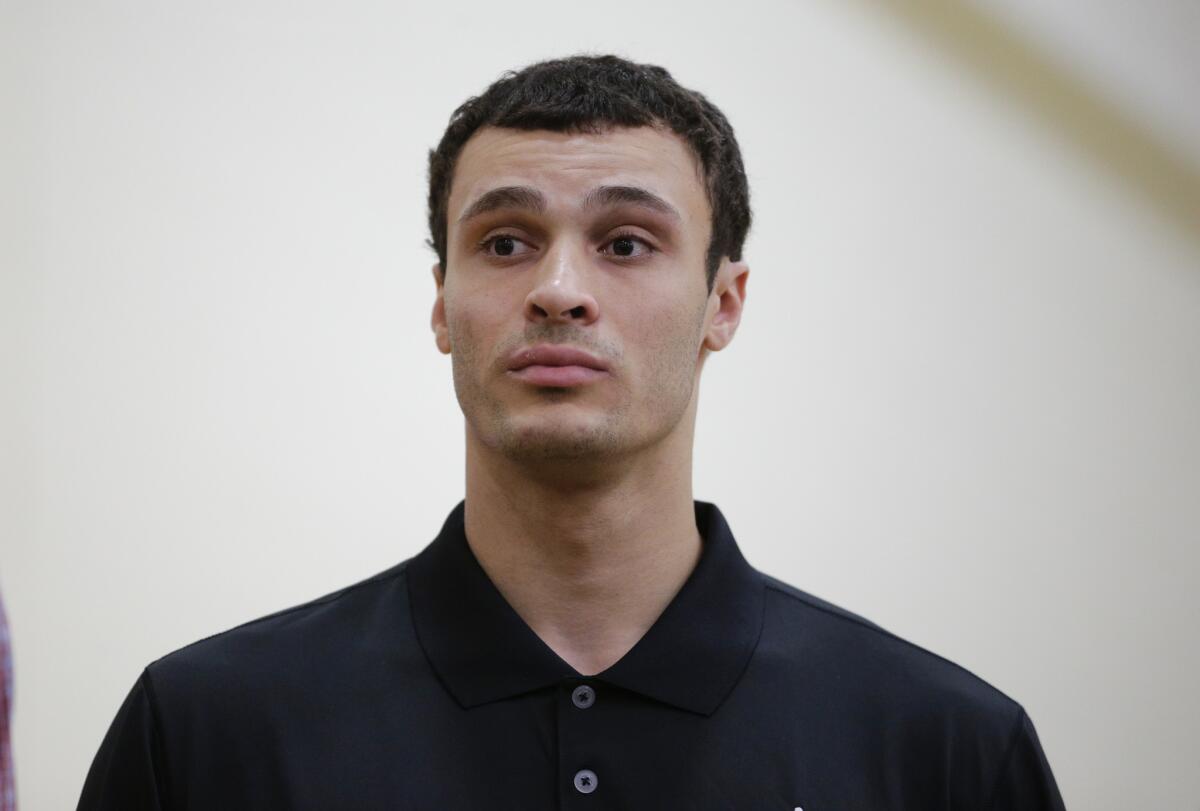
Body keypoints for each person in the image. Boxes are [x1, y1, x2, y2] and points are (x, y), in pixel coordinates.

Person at [78, 54, 1065, 809]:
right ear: (441, 303)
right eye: (505, 243)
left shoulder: (943, 750)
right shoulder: (209, 731)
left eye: (626, 243)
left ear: (724, 303)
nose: (558, 291)